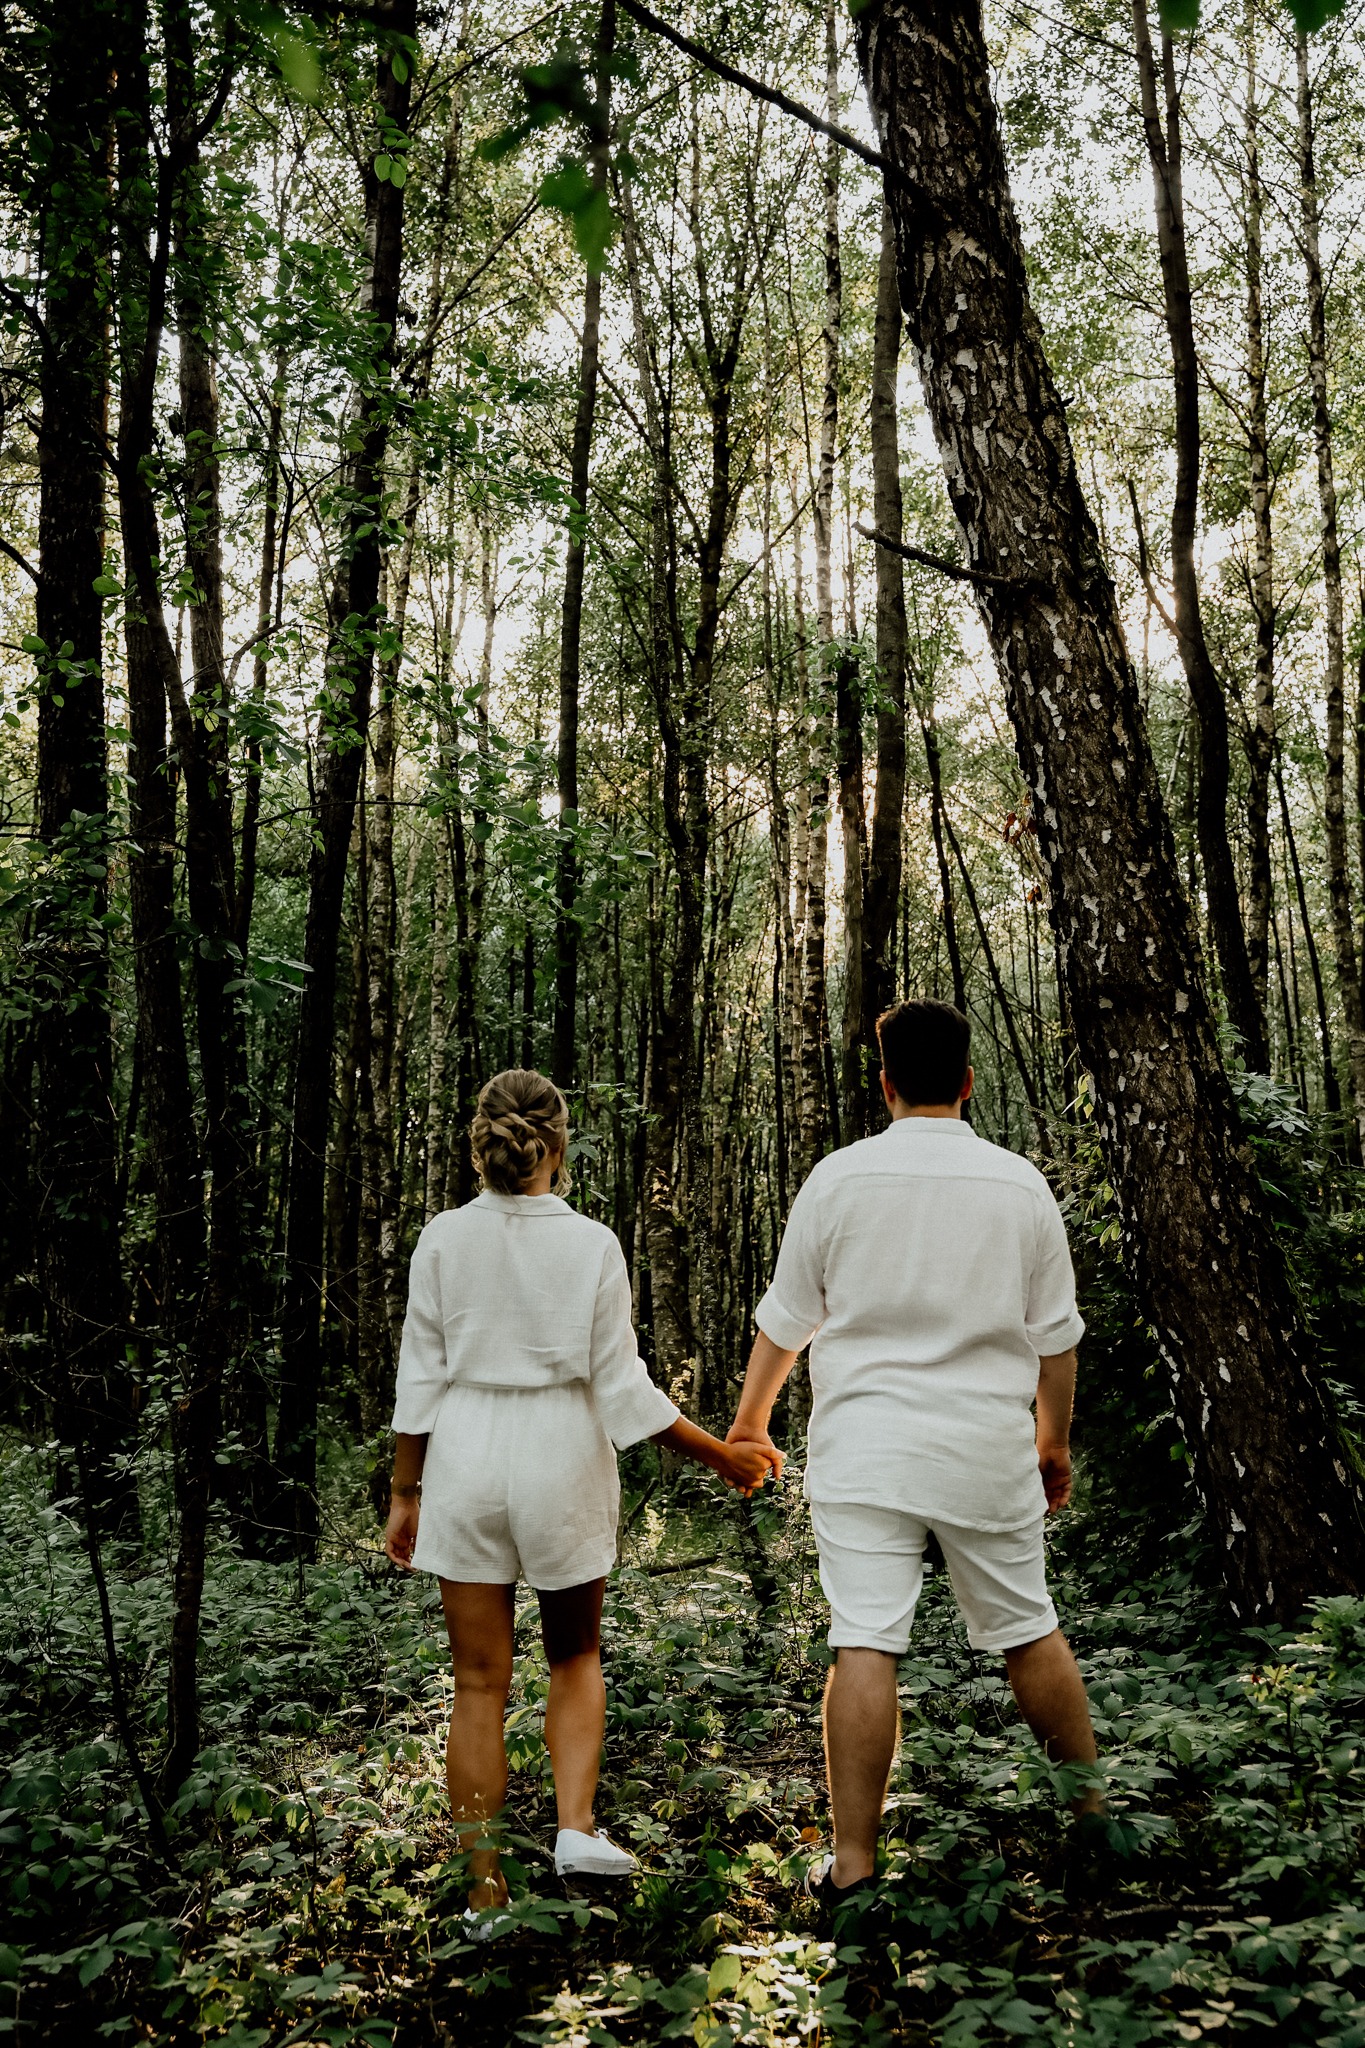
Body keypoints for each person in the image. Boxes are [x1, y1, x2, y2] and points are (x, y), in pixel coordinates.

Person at [726, 999, 1101, 1909]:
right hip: (983, 1447)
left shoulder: (837, 1179)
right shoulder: (1018, 1185)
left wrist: (749, 1424)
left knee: (863, 1639)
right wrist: (1051, 1441)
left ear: (885, 1083)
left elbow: (787, 1322)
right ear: (967, 1082)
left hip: (864, 1450)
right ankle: (1095, 1827)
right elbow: (1055, 1339)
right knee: (1028, 1628)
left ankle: (852, 1868)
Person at [383, 1068, 775, 1926]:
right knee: (574, 1656)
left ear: (480, 1145)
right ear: (557, 1146)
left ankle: (484, 1891)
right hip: (561, 1453)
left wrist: (405, 1492)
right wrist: (720, 1454)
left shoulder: (442, 1239)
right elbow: (621, 1388)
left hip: (466, 1453)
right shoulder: (592, 1243)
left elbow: (419, 1377)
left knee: (477, 1682)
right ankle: (574, 1829)